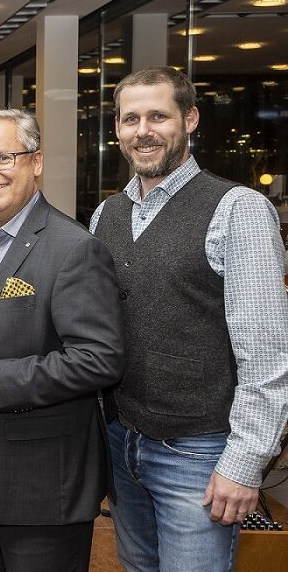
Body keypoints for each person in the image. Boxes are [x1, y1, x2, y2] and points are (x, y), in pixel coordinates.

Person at [91, 66, 288, 572]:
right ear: (117, 128)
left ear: (191, 119)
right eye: (130, 119)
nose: (143, 131)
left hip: (199, 453)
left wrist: (245, 463)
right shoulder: (105, 215)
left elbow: (268, 355)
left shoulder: (238, 209)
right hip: (122, 441)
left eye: (158, 116)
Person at [0, 108, 125, 572]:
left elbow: (99, 358)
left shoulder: (73, 248)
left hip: (40, 484)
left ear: (37, 161)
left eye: (3, 158)